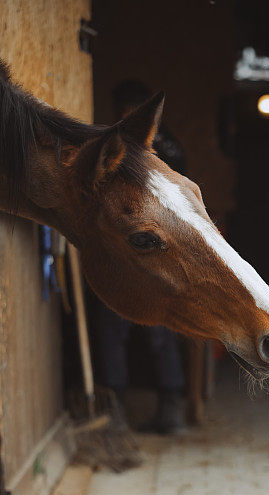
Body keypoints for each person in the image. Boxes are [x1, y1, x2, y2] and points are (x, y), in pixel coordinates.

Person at [96, 79, 187, 434]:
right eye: (123, 110)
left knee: (160, 331)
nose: (127, 116)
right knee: (112, 329)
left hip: (155, 255)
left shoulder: (165, 148)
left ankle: (171, 407)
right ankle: (115, 406)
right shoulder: (111, 146)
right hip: (120, 253)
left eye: (132, 109)